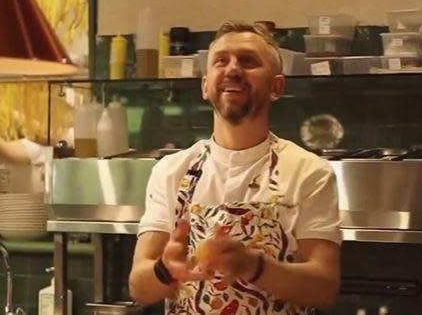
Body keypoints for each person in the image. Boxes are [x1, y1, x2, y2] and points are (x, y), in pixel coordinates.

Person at [129, 20, 341, 314]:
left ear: (276, 87)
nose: (232, 69)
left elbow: (324, 287)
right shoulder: (172, 171)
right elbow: (139, 288)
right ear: (205, 86)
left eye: (248, 61)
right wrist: (166, 270)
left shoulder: (309, 172)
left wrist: (254, 266)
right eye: (221, 61)